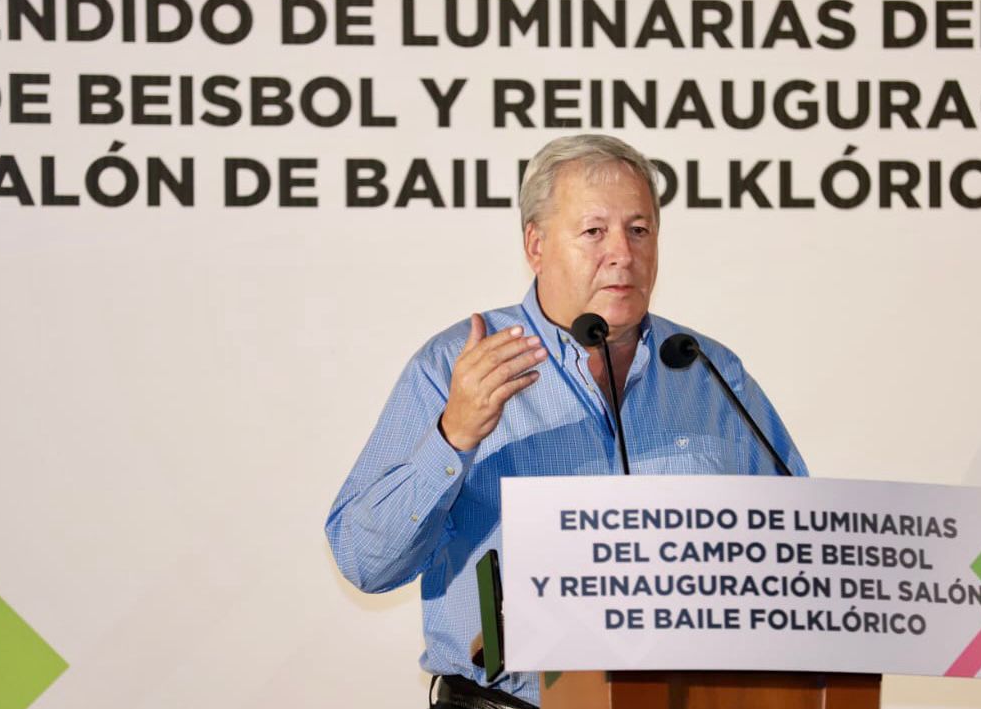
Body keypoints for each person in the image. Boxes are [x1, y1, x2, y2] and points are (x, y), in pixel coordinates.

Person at [325, 134, 807, 709]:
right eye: (594, 231)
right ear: (535, 244)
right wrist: (453, 437)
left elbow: (797, 550)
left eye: (639, 230)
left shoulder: (708, 370)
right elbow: (363, 561)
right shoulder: (455, 366)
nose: (623, 254)